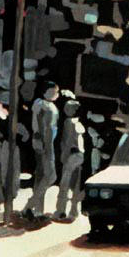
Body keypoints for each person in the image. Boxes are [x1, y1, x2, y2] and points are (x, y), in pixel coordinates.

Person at [24, 83, 59, 220]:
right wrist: (41, 140)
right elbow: (39, 124)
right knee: (50, 176)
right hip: (45, 142)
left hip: (48, 142)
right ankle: (30, 206)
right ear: (45, 91)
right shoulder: (41, 105)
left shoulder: (48, 105)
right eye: (54, 91)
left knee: (41, 176)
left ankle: (37, 210)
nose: (56, 94)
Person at [54, 100, 85, 221]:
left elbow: (68, 141)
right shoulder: (80, 122)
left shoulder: (68, 122)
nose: (65, 110)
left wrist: (64, 156)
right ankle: (74, 210)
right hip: (80, 154)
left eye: (67, 108)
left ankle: (61, 210)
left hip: (71, 155)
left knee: (65, 183)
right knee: (76, 183)